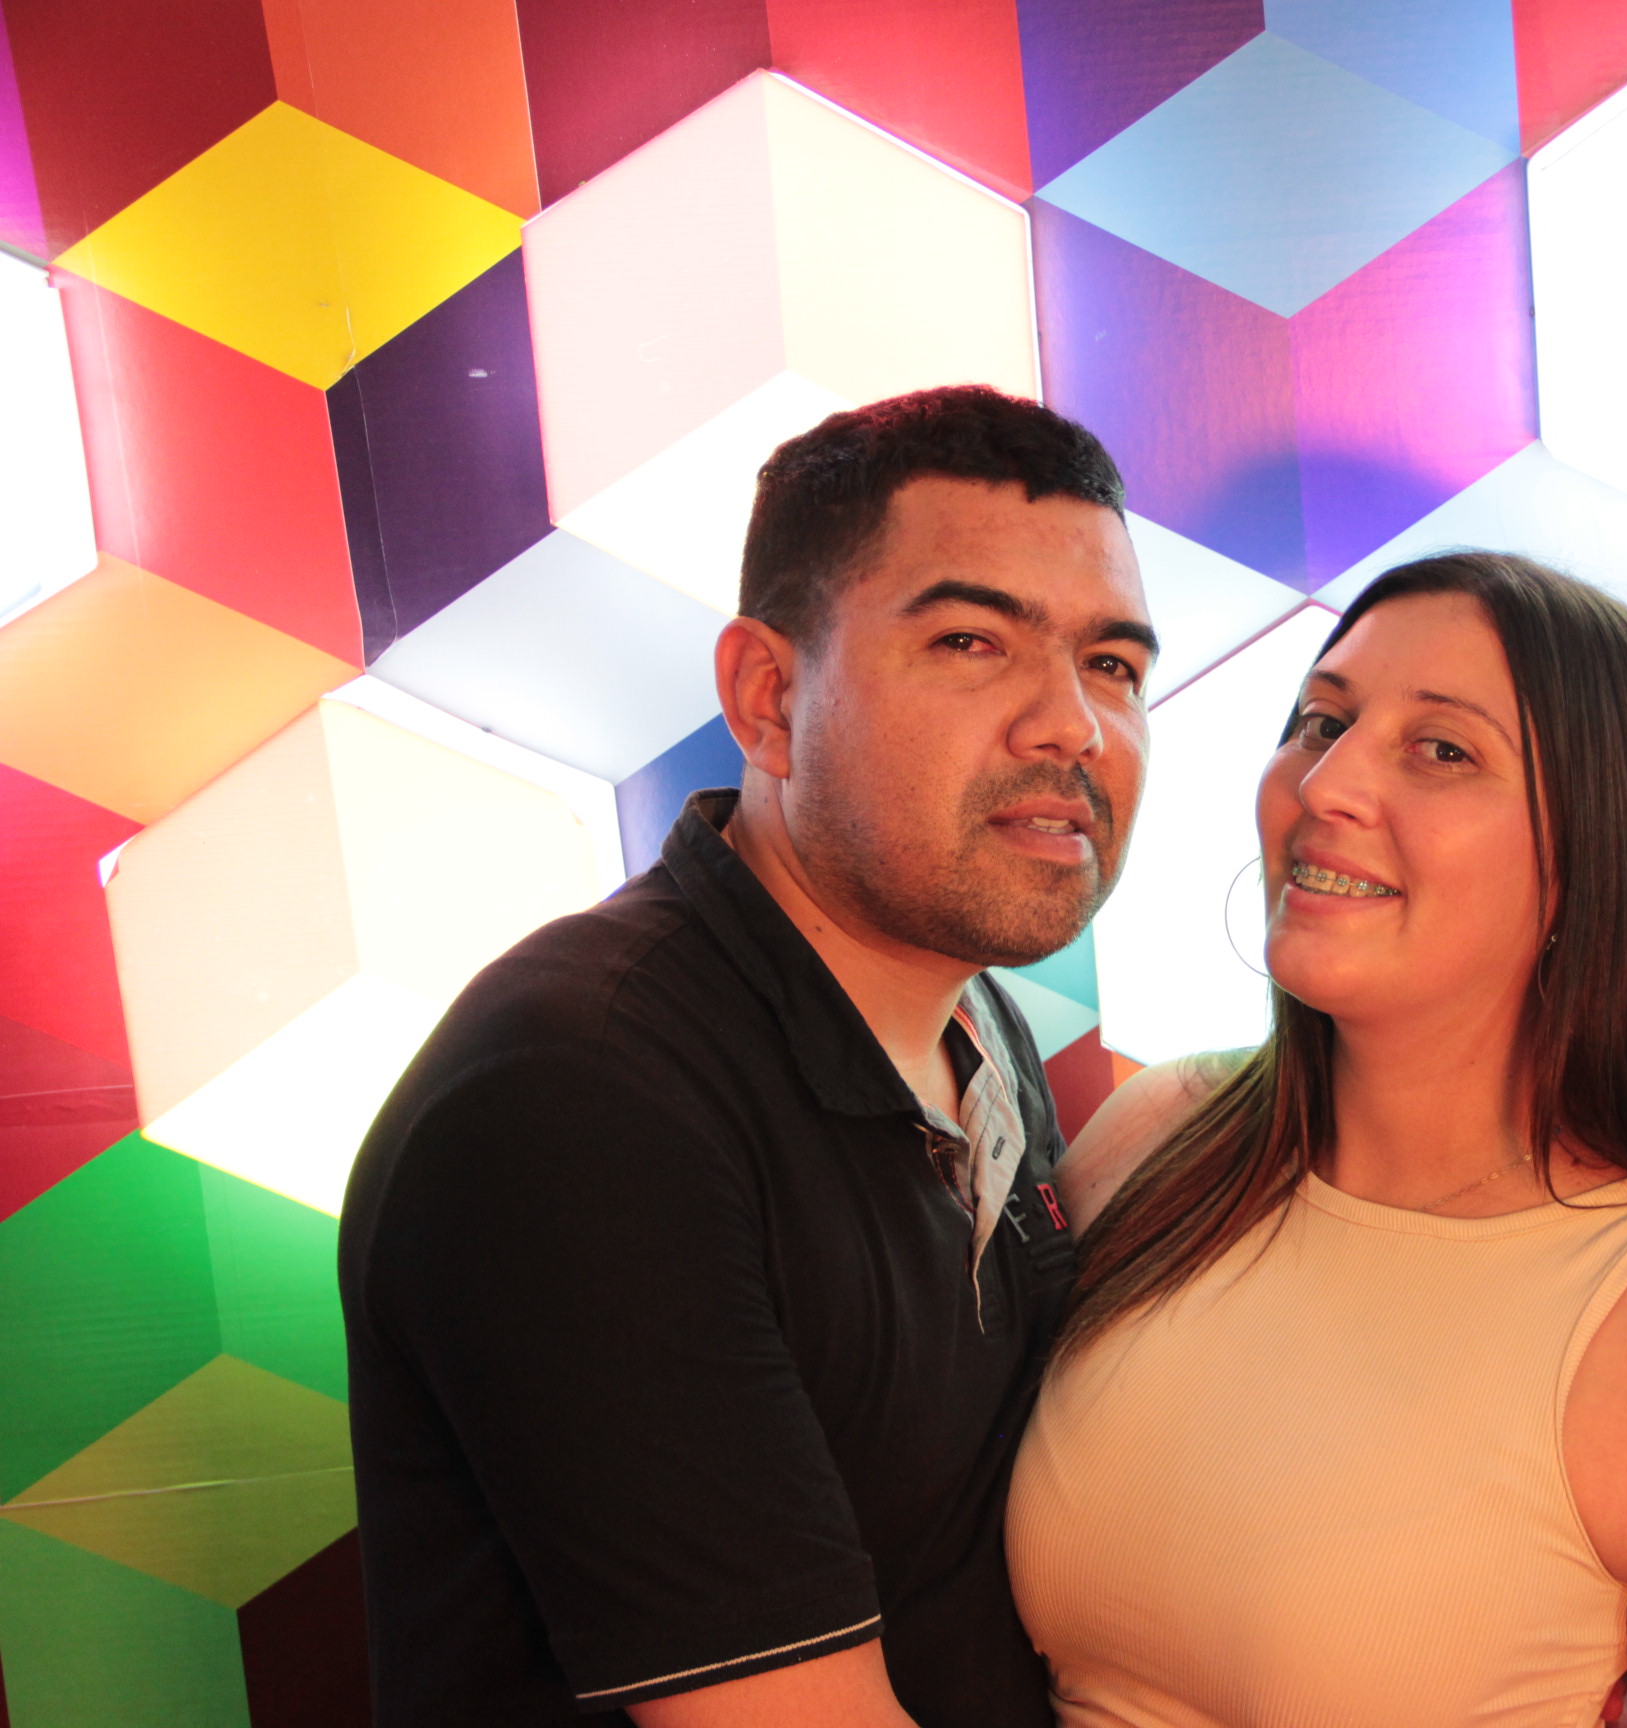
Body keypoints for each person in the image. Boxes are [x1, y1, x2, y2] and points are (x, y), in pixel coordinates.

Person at [340, 386, 1156, 1728]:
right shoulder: (583, 1096)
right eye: (970, 642)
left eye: (1113, 664)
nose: (1071, 725)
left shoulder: (979, 1025)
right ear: (768, 697)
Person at [1008, 553, 1627, 1726]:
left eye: (1442, 750)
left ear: (1592, 858)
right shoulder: (1160, 1134)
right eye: (1322, 721)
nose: (1328, 783)